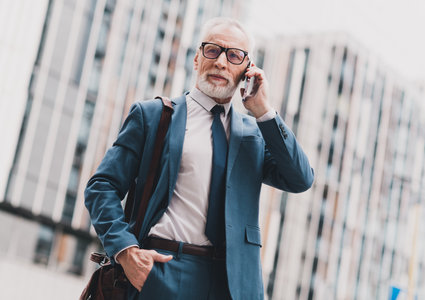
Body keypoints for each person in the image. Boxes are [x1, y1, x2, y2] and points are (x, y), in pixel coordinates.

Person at [84, 17, 314, 300]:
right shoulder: (154, 116)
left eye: (234, 56)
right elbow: (102, 186)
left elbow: (301, 179)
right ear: (196, 58)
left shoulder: (255, 134)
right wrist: (126, 252)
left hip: (234, 285)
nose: (221, 62)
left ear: (247, 69)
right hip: (162, 270)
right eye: (212, 50)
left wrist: (264, 110)